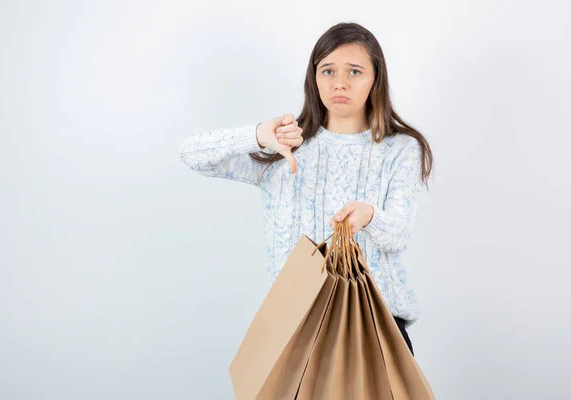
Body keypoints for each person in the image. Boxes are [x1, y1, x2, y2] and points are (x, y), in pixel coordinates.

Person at [179, 22, 433, 357]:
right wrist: (258, 136)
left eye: (355, 71)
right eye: (327, 70)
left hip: (375, 327)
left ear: (375, 79)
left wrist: (369, 216)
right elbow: (193, 156)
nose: (339, 83)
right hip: (295, 330)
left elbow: (398, 233)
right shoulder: (286, 148)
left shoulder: (399, 148)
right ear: (314, 78)